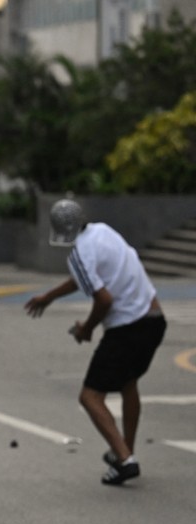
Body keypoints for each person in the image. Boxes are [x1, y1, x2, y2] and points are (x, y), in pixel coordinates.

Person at [24, 198, 167, 485]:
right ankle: (126, 450)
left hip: (127, 329)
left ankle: (124, 460)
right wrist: (49, 297)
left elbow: (103, 299)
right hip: (154, 321)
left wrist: (87, 329)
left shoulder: (79, 254)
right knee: (128, 384)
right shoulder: (104, 232)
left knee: (89, 397)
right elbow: (85, 278)